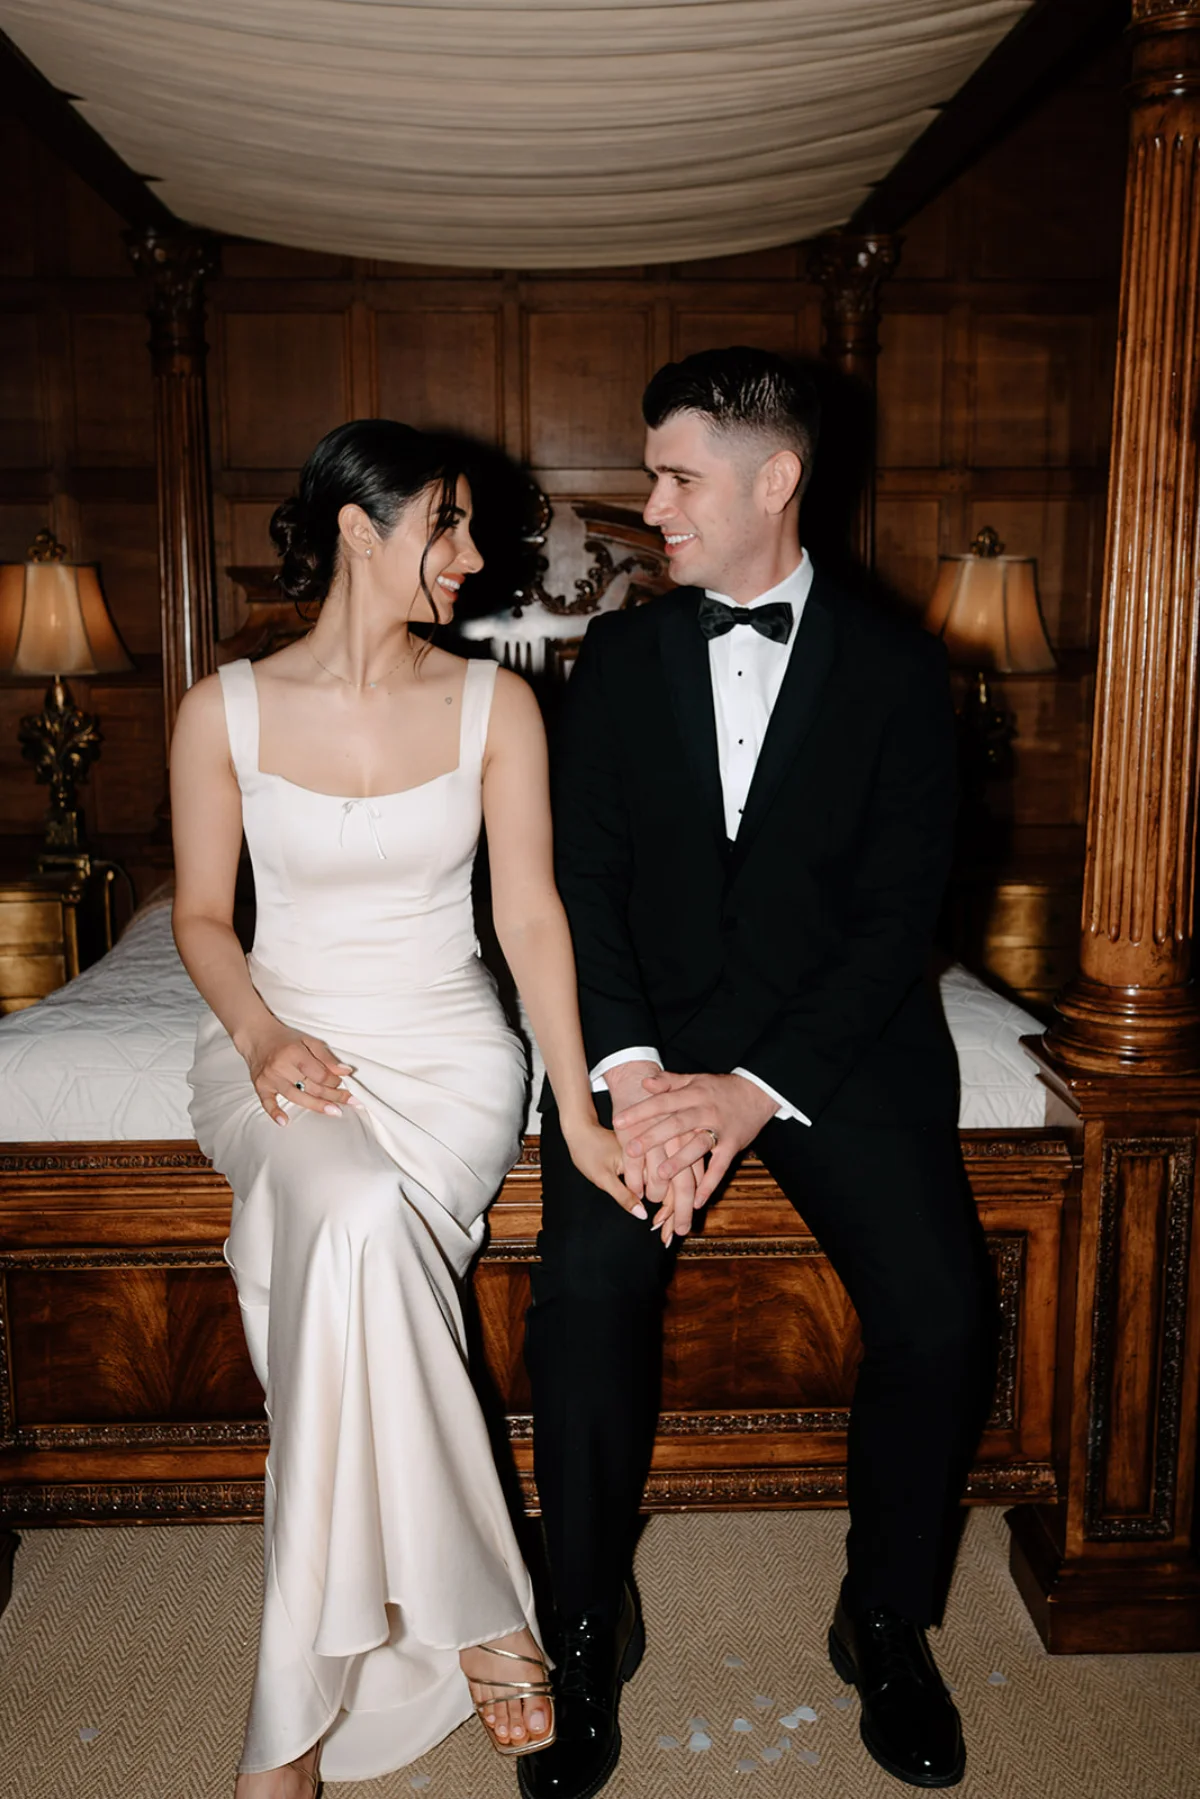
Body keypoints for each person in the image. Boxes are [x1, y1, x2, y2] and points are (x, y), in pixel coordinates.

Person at [522, 348, 997, 1797]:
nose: (649, 503)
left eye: (677, 475)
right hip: (646, 1047)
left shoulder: (910, 671)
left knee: (943, 1312)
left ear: (773, 478)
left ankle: (886, 1617)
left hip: (833, 1048)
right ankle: (588, 1620)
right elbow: (581, 881)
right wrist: (634, 1071)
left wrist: (753, 1090)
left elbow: (899, 918)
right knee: (588, 1291)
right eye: (653, 472)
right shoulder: (619, 658)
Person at [171, 420, 630, 1798]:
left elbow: (532, 915)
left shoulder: (499, 705)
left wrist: (581, 1109)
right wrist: (258, 1034)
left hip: (446, 1060)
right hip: (279, 1041)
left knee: (349, 1228)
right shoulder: (222, 710)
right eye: (446, 525)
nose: (475, 557)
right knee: (349, 1211)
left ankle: (292, 1736)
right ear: (358, 532)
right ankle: (488, 1611)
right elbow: (200, 916)